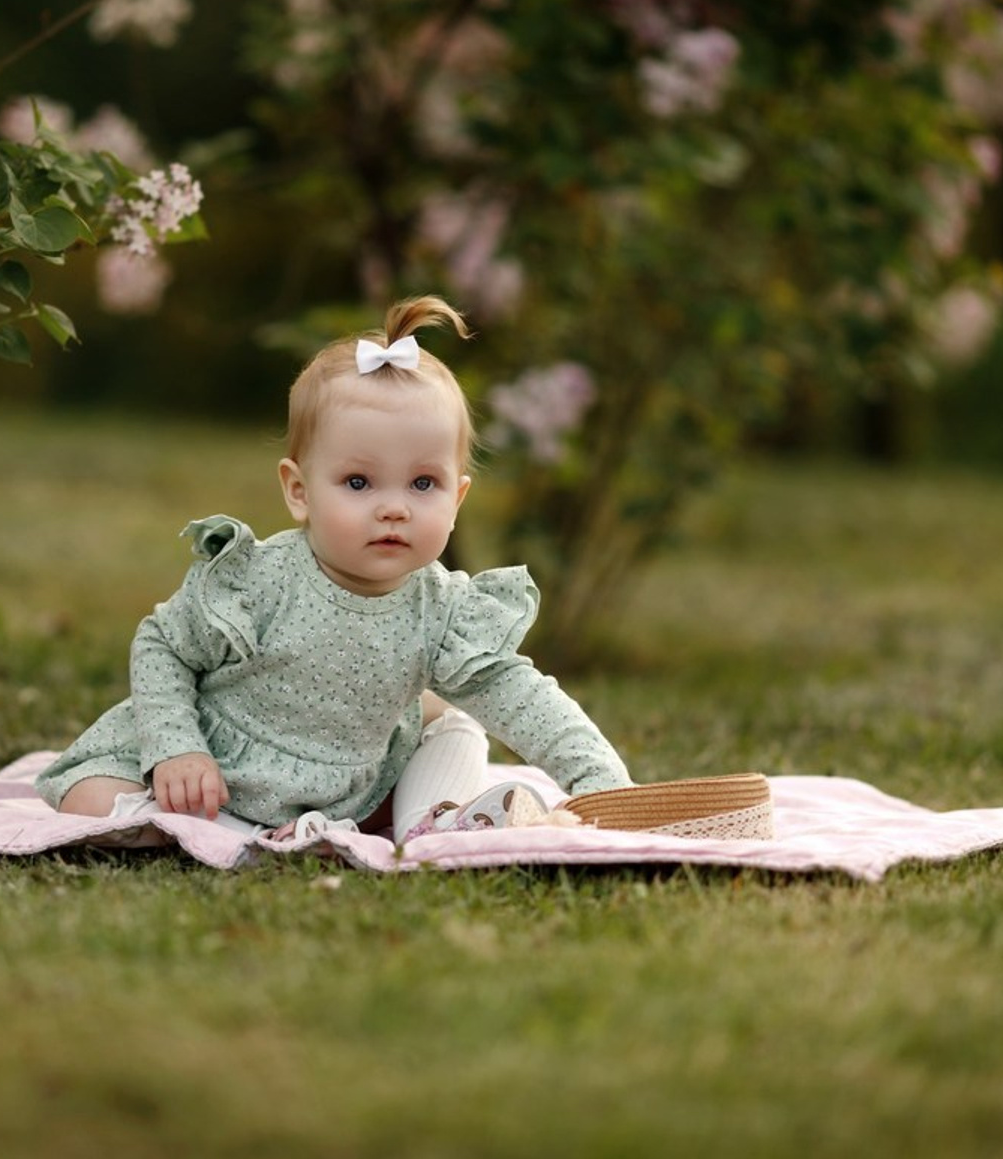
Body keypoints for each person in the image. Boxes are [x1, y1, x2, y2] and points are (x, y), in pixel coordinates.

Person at [35, 296, 633, 841]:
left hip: (350, 788)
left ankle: (431, 827)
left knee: (455, 724)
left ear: (458, 499)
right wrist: (176, 748)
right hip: (215, 766)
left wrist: (602, 781)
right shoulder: (260, 579)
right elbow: (163, 646)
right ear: (300, 491)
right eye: (358, 482)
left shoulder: (445, 612)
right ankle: (219, 826)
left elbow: (527, 703)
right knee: (91, 803)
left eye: (424, 483)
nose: (394, 507)